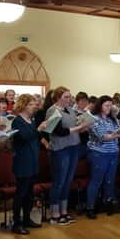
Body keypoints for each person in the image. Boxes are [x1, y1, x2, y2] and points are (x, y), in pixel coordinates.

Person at [46, 86, 89, 225]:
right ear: (58, 98)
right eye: (66, 97)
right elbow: (59, 131)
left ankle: (64, 210)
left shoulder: (71, 110)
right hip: (60, 148)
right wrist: (77, 128)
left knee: (68, 180)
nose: (69, 99)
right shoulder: (53, 111)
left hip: (73, 146)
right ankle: (54, 213)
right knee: (59, 181)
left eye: (70, 97)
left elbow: (75, 125)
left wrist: (84, 125)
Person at [85, 95, 120, 219]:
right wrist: (117, 134)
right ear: (100, 106)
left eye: (111, 105)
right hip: (99, 153)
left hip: (113, 152)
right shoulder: (94, 119)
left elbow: (116, 131)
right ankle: (90, 207)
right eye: (107, 105)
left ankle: (108, 204)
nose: (109, 108)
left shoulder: (112, 119)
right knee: (96, 180)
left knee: (110, 180)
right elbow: (102, 136)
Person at [11, 94, 47, 235]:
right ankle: (16, 223)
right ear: (24, 105)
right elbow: (24, 136)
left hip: (32, 160)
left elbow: (34, 137)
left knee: (30, 193)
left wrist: (41, 131)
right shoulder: (17, 121)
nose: (34, 106)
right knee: (21, 193)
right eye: (31, 104)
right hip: (23, 161)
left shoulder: (31, 120)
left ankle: (26, 219)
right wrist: (38, 129)